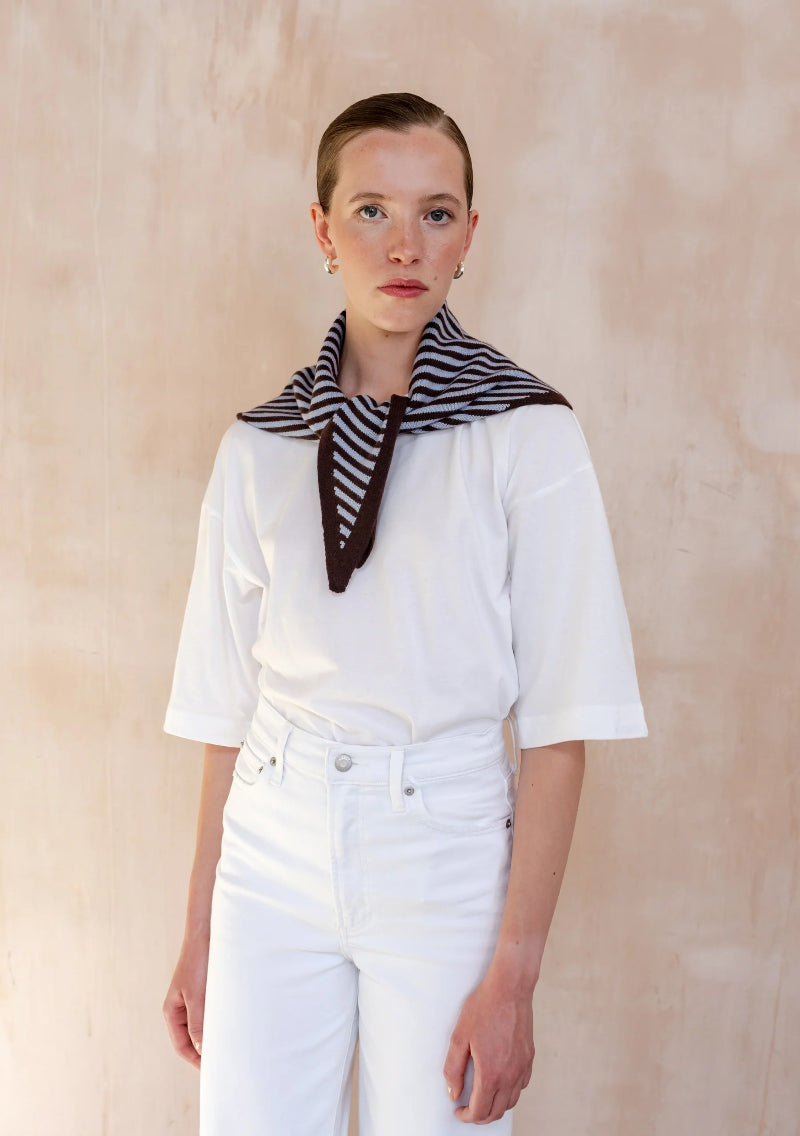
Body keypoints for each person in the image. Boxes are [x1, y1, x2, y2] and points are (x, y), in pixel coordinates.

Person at [161, 91, 648, 1136]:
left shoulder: (528, 435)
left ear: (470, 233)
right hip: (270, 846)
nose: (402, 243)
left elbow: (560, 731)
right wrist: (199, 929)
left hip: (445, 849)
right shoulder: (260, 444)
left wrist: (512, 975)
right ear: (321, 227)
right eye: (370, 208)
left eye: (435, 212)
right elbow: (222, 713)